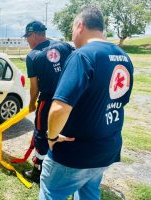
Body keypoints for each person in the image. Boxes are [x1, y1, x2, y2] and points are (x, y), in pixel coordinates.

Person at [39, 6, 134, 199]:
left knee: (51, 192)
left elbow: (59, 107)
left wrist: (51, 137)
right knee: (89, 192)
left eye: (73, 29)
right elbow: (120, 101)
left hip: (76, 152)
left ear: (80, 25)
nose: (72, 36)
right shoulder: (124, 57)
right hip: (106, 148)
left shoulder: (82, 55)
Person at [22, 20, 74, 183]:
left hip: (48, 101)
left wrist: (31, 104)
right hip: (68, 100)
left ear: (34, 35)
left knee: (40, 134)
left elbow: (34, 87)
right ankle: (65, 168)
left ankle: (38, 171)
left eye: (27, 37)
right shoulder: (65, 46)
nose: (27, 41)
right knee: (66, 132)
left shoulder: (32, 56)